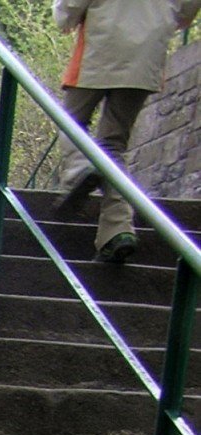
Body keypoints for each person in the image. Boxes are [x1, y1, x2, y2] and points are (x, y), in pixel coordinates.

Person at [52, 0, 200, 263]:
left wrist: (64, 16)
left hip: (101, 44)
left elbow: (71, 5)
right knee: (113, 144)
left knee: (70, 121)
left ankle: (79, 170)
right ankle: (117, 230)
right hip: (147, 54)